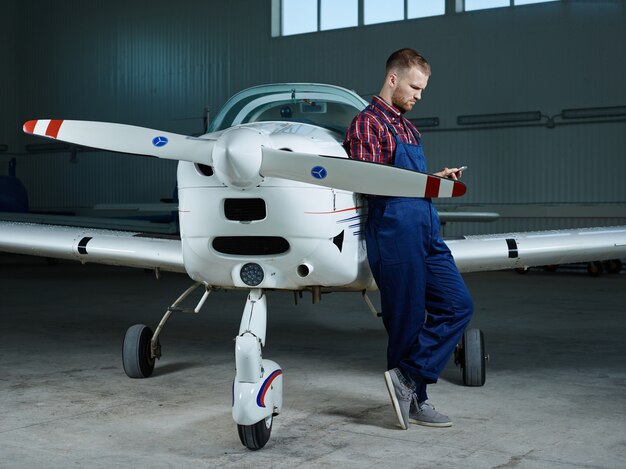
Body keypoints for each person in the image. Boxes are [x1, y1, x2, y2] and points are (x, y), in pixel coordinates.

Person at [343, 48, 474, 430]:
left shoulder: (407, 127)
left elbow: (401, 178)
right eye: (415, 87)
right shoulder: (367, 124)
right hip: (394, 230)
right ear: (393, 79)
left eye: (423, 89)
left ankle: (408, 376)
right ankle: (417, 400)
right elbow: (369, 184)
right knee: (408, 319)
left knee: (458, 305)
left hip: (425, 226)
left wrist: (432, 179)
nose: (419, 95)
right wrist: (418, 185)